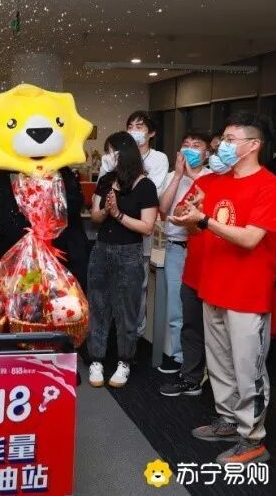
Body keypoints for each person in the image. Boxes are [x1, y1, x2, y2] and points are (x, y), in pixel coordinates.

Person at [170, 112, 276, 465]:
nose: (223, 146)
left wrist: (204, 220)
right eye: (224, 139)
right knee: (219, 362)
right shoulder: (213, 181)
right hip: (212, 285)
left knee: (248, 369)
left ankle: (253, 439)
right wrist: (188, 219)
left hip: (248, 293)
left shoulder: (269, 186)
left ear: (254, 145)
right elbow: (191, 224)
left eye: (232, 140)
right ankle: (228, 420)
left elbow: (250, 238)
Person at [87, 132, 158, 388]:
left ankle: (124, 361)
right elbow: (95, 216)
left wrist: (118, 214)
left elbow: (147, 227)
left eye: (111, 151)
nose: (107, 156)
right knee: (98, 306)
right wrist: (106, 211)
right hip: (101, 250)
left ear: (124, 154)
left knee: (127, 310)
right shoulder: (106, 180)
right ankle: (96, 359)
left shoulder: (145, 185)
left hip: (129, 253)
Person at [155, 130, 212, 375]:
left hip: (203, 249)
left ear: (207, 153)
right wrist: (179, 176)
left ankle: (202, 362)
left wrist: (193, 177)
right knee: (176, 308)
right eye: (186, 144)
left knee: (202, 309)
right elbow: (163, 209)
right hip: (176, 247)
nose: (190, 149)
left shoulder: (212, 177)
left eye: (196, 145)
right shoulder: (171, 176)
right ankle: (179, 357)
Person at [124, 111, 168, 337]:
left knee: (138, 286)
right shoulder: (121, 154)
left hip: (143, 231)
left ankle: (136, 334)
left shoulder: (159, 159)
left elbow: (153, 193)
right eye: (130, 126)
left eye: (139, 127)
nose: (134, 131)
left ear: (151, 133)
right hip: (119, 232)